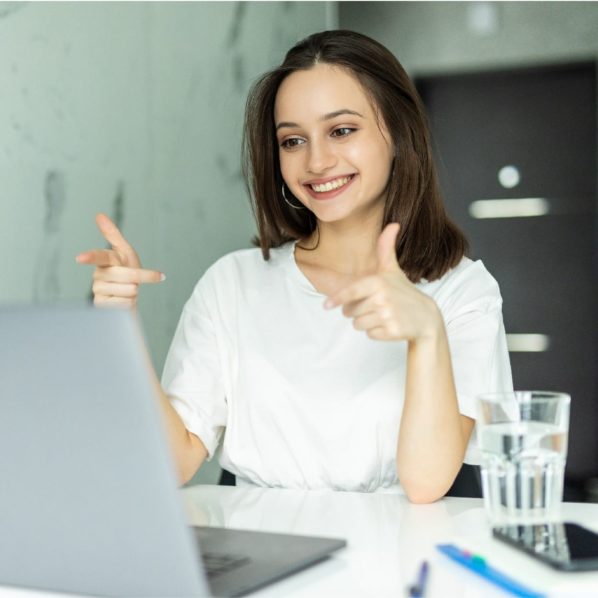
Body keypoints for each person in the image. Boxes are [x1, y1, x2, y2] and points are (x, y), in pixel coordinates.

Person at [76, 30, 512, 502]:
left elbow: (428, 485)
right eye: (292, 141)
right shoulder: (232, 283)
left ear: (399, 134)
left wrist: (427, 333)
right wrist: (119, 323)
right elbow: (171, 463)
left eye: (342, 130)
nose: (317, 161)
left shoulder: (463, 292)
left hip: (391, 560)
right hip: (258, 557)